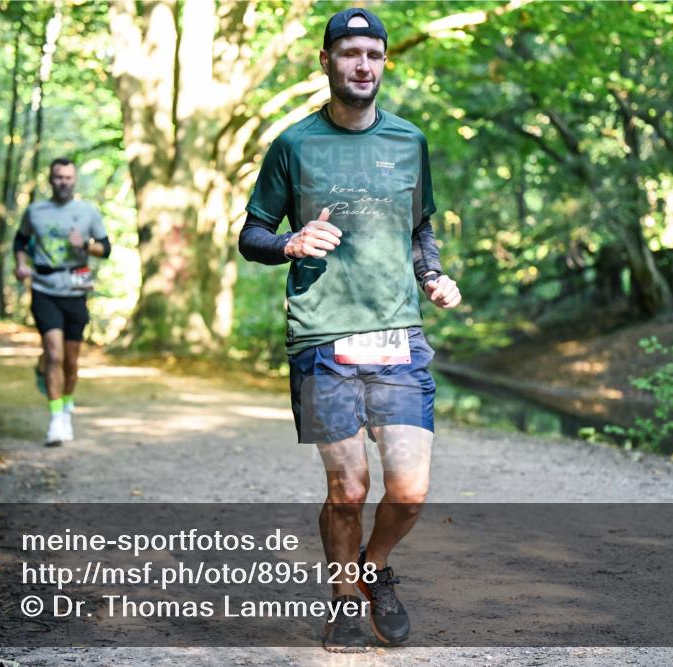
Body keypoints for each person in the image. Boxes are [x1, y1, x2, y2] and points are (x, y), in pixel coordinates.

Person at [238, 7, 461, 652]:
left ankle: (373, 564)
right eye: (350, 53)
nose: (363, 65)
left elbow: (421, 228)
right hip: (321, 338)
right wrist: (291, 243)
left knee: (411, 492)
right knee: (348, 488)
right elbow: (252, 235)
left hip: (399, 336)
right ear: (327, 62)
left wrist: (433, 276)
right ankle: (342, 598)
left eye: (374, 54)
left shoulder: (408, 141)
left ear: (384, 64)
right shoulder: (294, 144)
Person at [13, 158, 111, 447]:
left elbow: (106, 249)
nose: (63, 182)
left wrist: (84, 245)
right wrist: (21, 265)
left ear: (75, 180)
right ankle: (56, 419)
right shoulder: (35, 211)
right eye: (58, 177)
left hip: (76, 288)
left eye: (68, 177)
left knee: (71, 360)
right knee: (53, 354)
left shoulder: (88, 212)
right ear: (50, 179)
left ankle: (67, 405)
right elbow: (20, 242)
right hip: (44, 288)